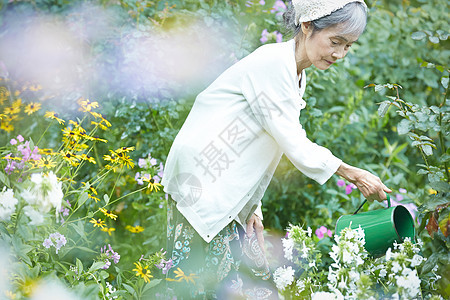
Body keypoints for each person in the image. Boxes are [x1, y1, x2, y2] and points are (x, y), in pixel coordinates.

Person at [160, 0, 391, 299]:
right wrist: (353, 174)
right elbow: (292, 141)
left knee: (236, 280)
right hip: (203, 176)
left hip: (222, 179)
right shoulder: (273, 63)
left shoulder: (294, 72)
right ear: (307, 26)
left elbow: (260, 141)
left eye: (348, 46)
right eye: (335, 41)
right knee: (196, 281)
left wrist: (251, 207)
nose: (339, 54)